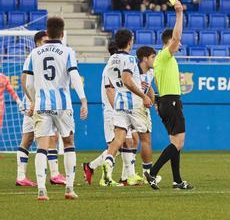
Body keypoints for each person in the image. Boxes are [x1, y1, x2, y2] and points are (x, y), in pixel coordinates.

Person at [23, 17, 88, 201]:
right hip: (62, 105)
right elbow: (74, 76)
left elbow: (28, 83)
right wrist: (83, 100)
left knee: (42, 147)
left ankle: (42, 190)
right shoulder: (67, 52)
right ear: (62, 32)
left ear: (47, 31)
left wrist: (33, 100)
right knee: (68, 143)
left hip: (41, 105)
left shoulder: (35, 53)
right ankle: (68, 188)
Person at [82, 29, 153, 187]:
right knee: (139, 139)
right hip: (117, 106)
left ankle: (127, 175)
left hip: (119, 104)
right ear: (129, 42)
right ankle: (102, 172)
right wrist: (142, 96)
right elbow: (113, 88)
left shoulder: (110, 62)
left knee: (126, 141)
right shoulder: (128, 60)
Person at [143, 0, 194, 190]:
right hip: (171, 101)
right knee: (179, 143)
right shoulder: (165, 55)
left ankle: (177, 180)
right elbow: (176, 36)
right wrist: (179, 14)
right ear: (169, 42)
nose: (179, 43)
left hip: (165, 101)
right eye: (176, 41)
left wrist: (158, 103)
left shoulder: (161, 61)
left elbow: (156, 85)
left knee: (175, 143)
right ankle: (153, 173)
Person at [16, 31, 67, 187]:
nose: (47, 43)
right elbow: (24, 80)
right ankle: (55, 175)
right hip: (37, 103)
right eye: (45, 41)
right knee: (50, 137)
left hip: (37, 102)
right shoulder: (34, 55)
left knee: (29, 138)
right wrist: (32, 101)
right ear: (38, 42)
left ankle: (21, 176)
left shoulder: (40, 55)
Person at [136, 45, 158, 180]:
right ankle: (148, 174)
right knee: (145, 140)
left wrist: (152, 101)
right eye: (153, 57)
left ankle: (94, 165)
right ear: (145, 59)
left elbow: (149, 87)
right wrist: (144, 98)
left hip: (139, 107)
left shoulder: (150, 72)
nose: (154, 60)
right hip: (136, 108)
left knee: (124, 142)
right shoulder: (133, 71)